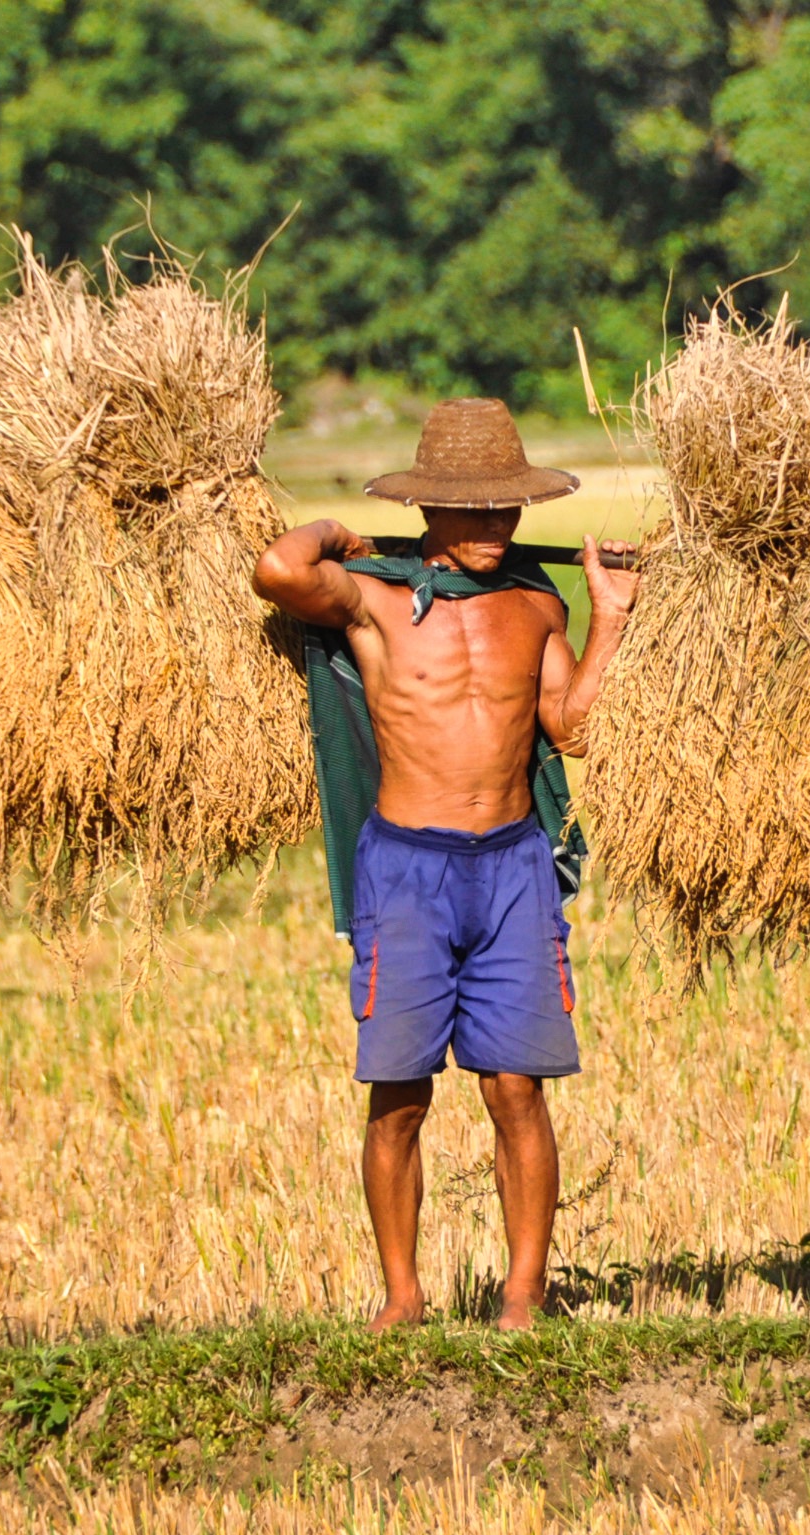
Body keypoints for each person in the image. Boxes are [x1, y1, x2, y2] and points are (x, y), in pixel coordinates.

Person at [253, 397, 640, 1330]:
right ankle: (402, 1296)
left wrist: (613, 617)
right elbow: (279, 567)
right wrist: (340, 531)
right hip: (408, 870)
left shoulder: (537, 602)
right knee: (399, 1094)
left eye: (507, 509)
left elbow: (572, 731)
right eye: (474, 511)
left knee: (517, 1088)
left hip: (513, 868)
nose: (496, 527)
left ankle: (523, 1294)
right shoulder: (374, 598)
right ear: (428, 511)